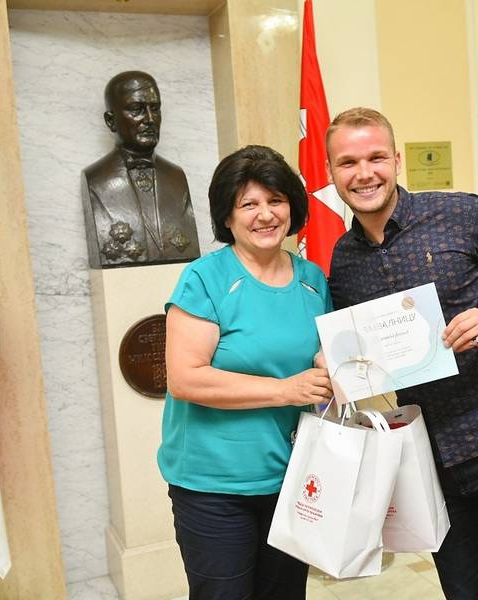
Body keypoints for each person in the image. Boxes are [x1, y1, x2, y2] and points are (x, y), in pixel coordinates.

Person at [325, 107, 478, 599]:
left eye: (376, 157)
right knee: (466, 592)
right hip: (430, 455)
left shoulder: (461, 214)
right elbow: (357, 350)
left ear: (397, 161)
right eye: (348, 163)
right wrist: (332, 360)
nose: (364, 173)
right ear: (331, 172)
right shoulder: (344, 260)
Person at [158, 145, 333, 599]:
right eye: (248, 204)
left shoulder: (313, 279)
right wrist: (285, 390)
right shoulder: (205, 278)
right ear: (228, 216)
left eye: (276, 200)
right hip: (213, 486)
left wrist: (329, 364)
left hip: (290, 478)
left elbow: (318, 356)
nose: (265, 215)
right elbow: (185, 378)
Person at [82, 70, 200, 268]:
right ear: (111, 121)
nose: (150, 119)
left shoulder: (177, 177)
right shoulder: (96, 180)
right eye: (137, 109)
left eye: (155, 108)